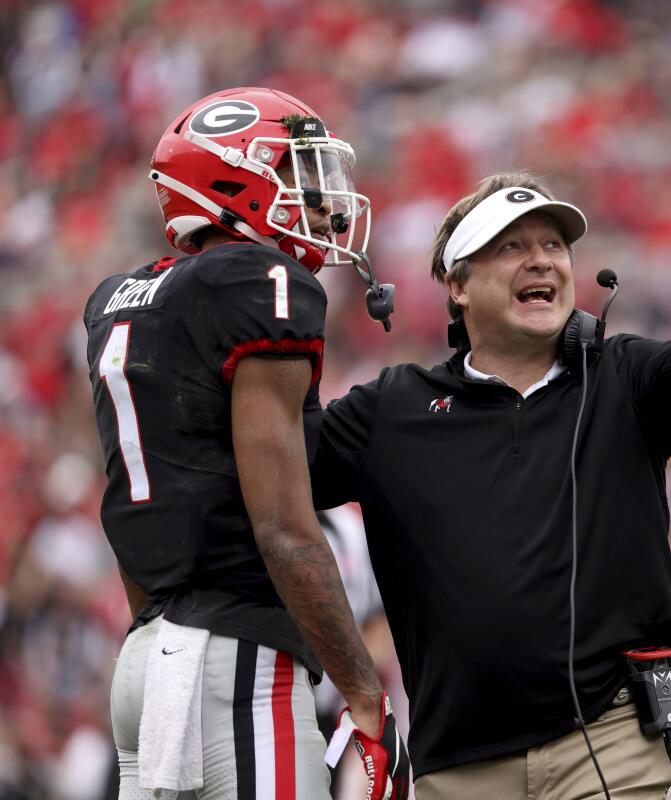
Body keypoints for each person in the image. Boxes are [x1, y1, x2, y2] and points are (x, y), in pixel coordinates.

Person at [313, 171, 671, 799]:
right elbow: (279, 466)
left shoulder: (623, 378)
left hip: (608, 738)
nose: (542, 261)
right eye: (512, 247)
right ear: (457, 284)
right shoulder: (392, 409)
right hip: (457, 763)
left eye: (554, 246)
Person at [83, 87, 407, 800]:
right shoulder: (258, 282)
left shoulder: (122, 298)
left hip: (146, 662)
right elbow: (285, 529)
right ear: (236, 179)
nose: (323, 198)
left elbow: (137, 509)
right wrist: (363, 693)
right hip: (238, 666)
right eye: (298, 171)